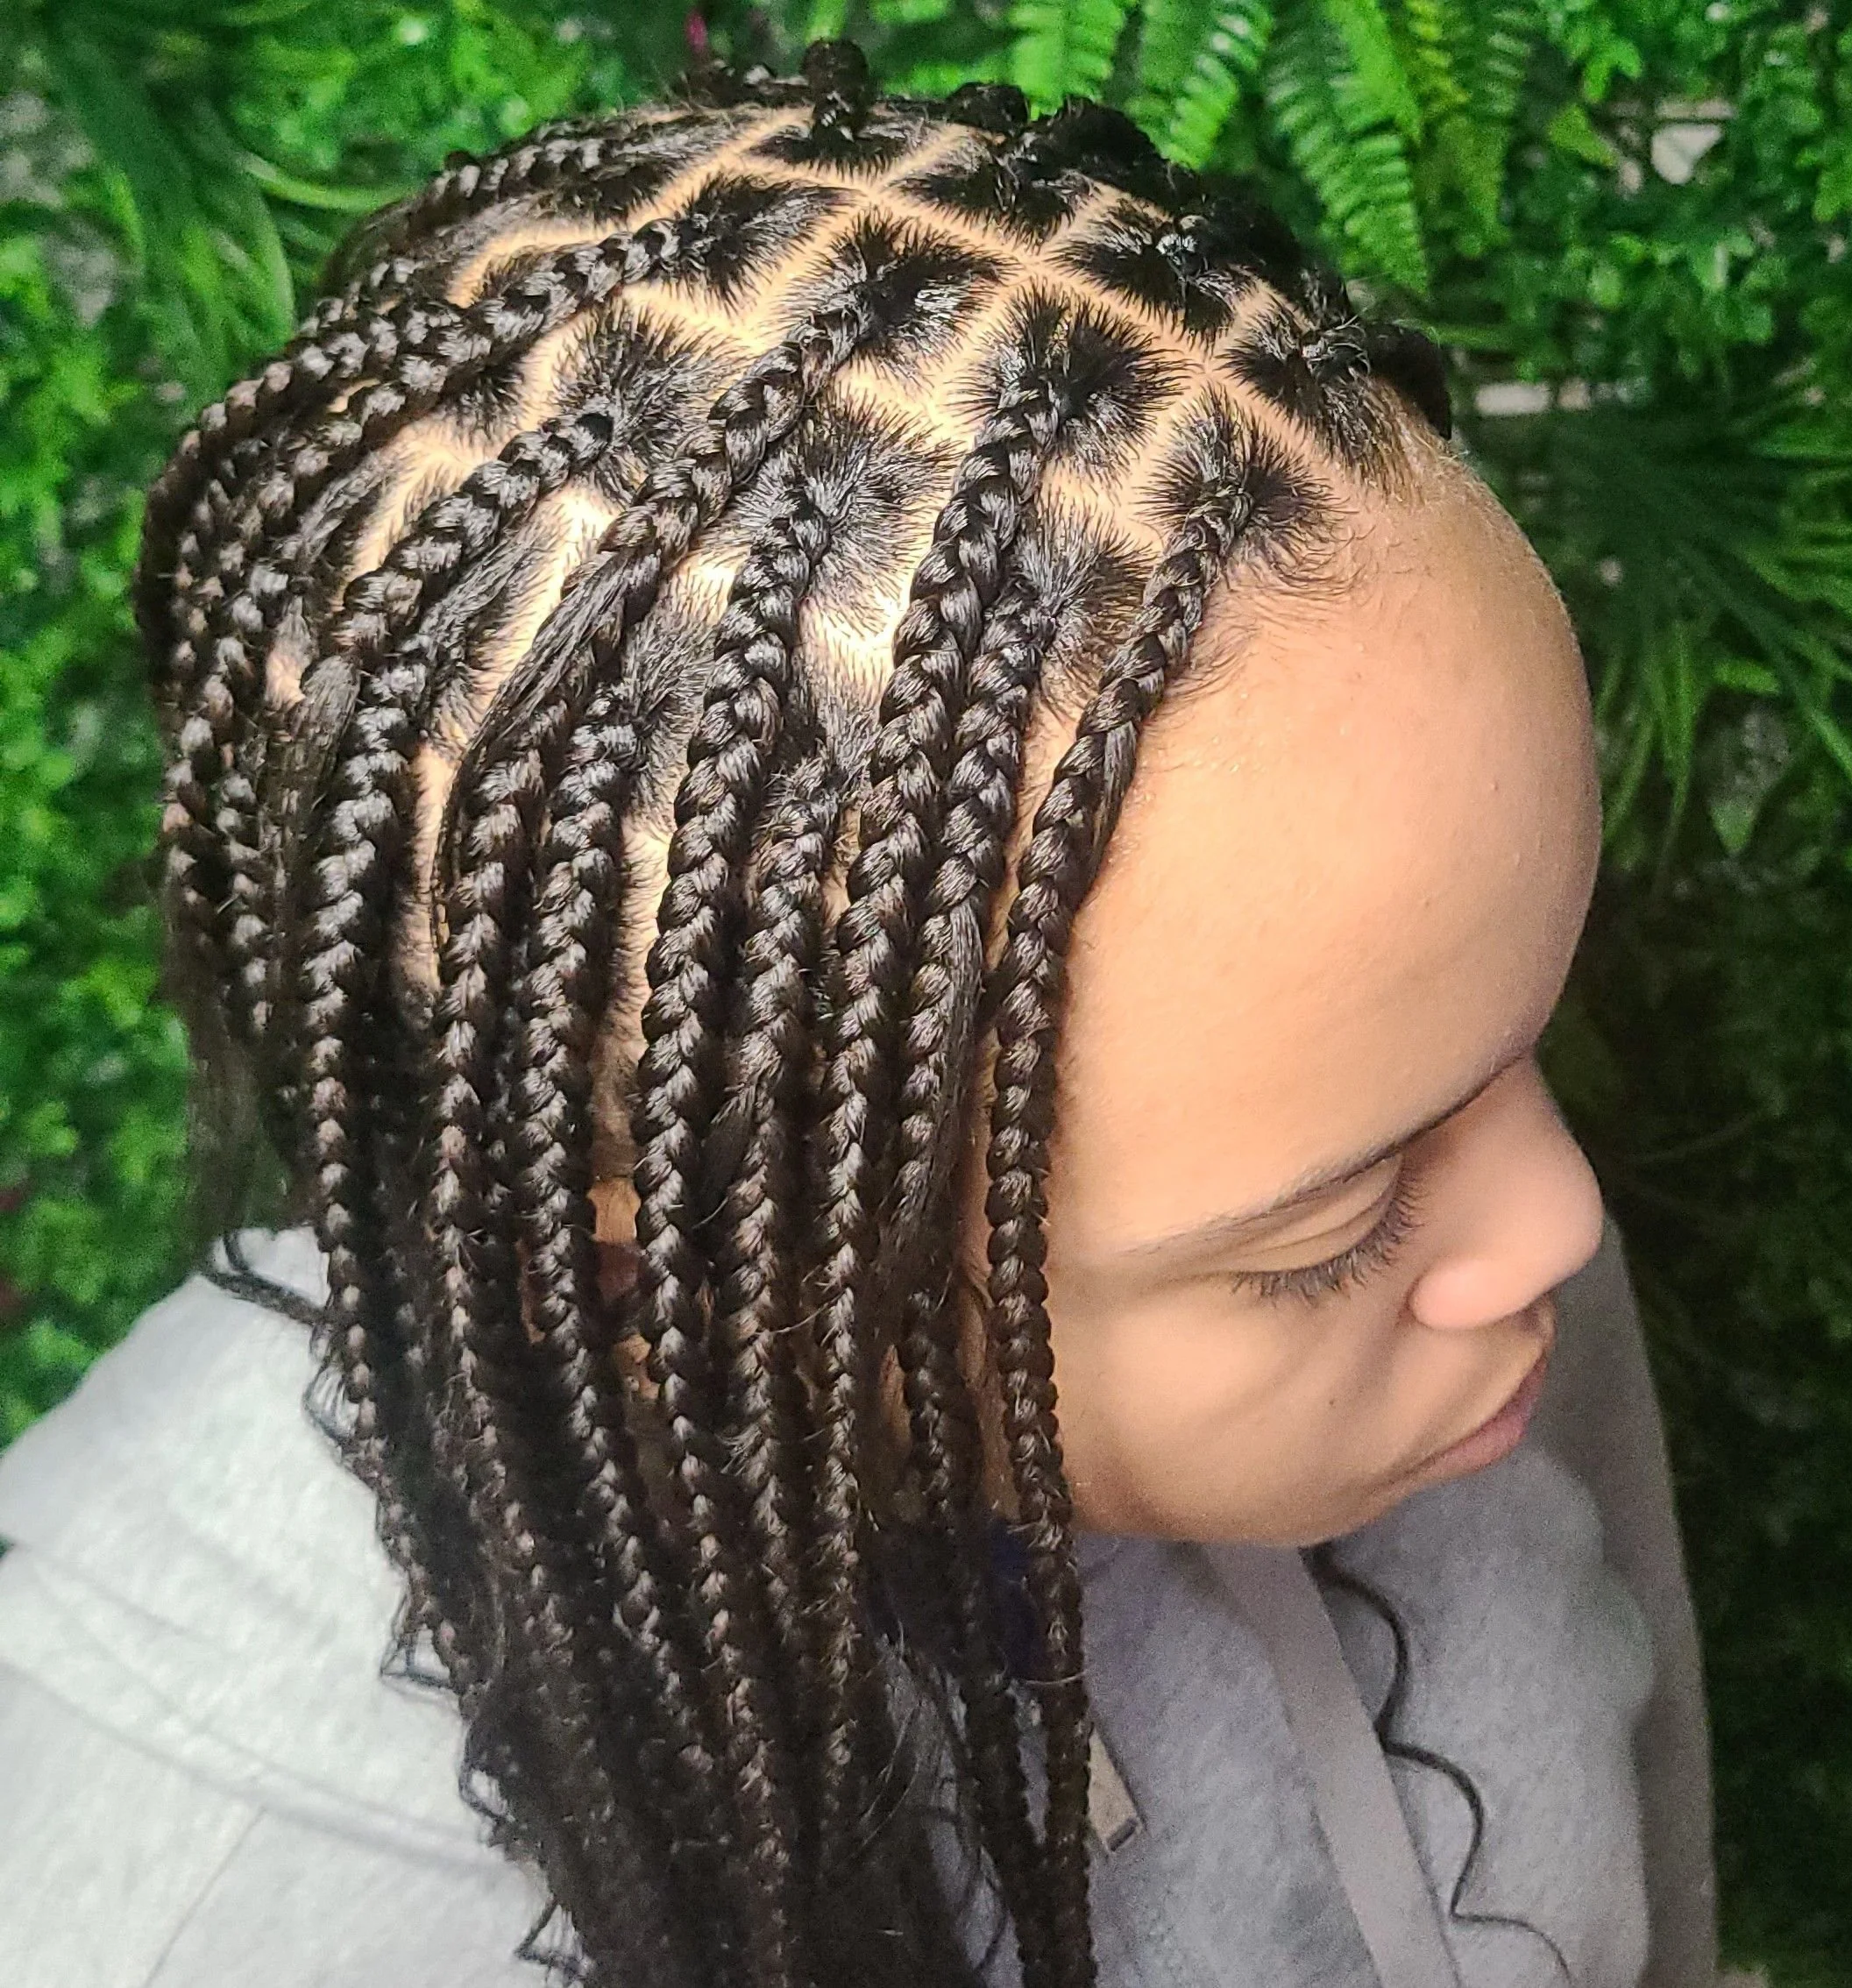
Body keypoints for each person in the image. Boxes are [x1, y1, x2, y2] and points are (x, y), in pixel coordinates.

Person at [0, 42, 1718, 1988]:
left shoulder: (1452, 1257)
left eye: (1529, 1037)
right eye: (1330, 1238)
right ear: (709, 1285)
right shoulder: (204, 1920)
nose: (1556, 1228)